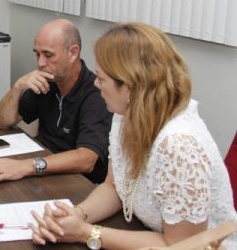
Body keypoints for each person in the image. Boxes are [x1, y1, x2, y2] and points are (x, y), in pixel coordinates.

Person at [30, 23, 237, 249]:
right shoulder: (124, 113)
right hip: (147, 234)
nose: (96, 85)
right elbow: (113, 187)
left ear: (128, 87)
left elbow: (182, 244)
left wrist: (86, 233)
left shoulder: (179, 144)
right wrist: (77, 215)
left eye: (101, 78)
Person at [0, 19, 112, 184]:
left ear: (73, 53)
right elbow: (3, 122)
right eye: (37, 54)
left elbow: (86, 160)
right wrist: (18, 87)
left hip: (76, 182)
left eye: (48, 55)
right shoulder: (48, 81)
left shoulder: (96, 94)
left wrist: (25, 166)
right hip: (41, 169)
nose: (40, 63)